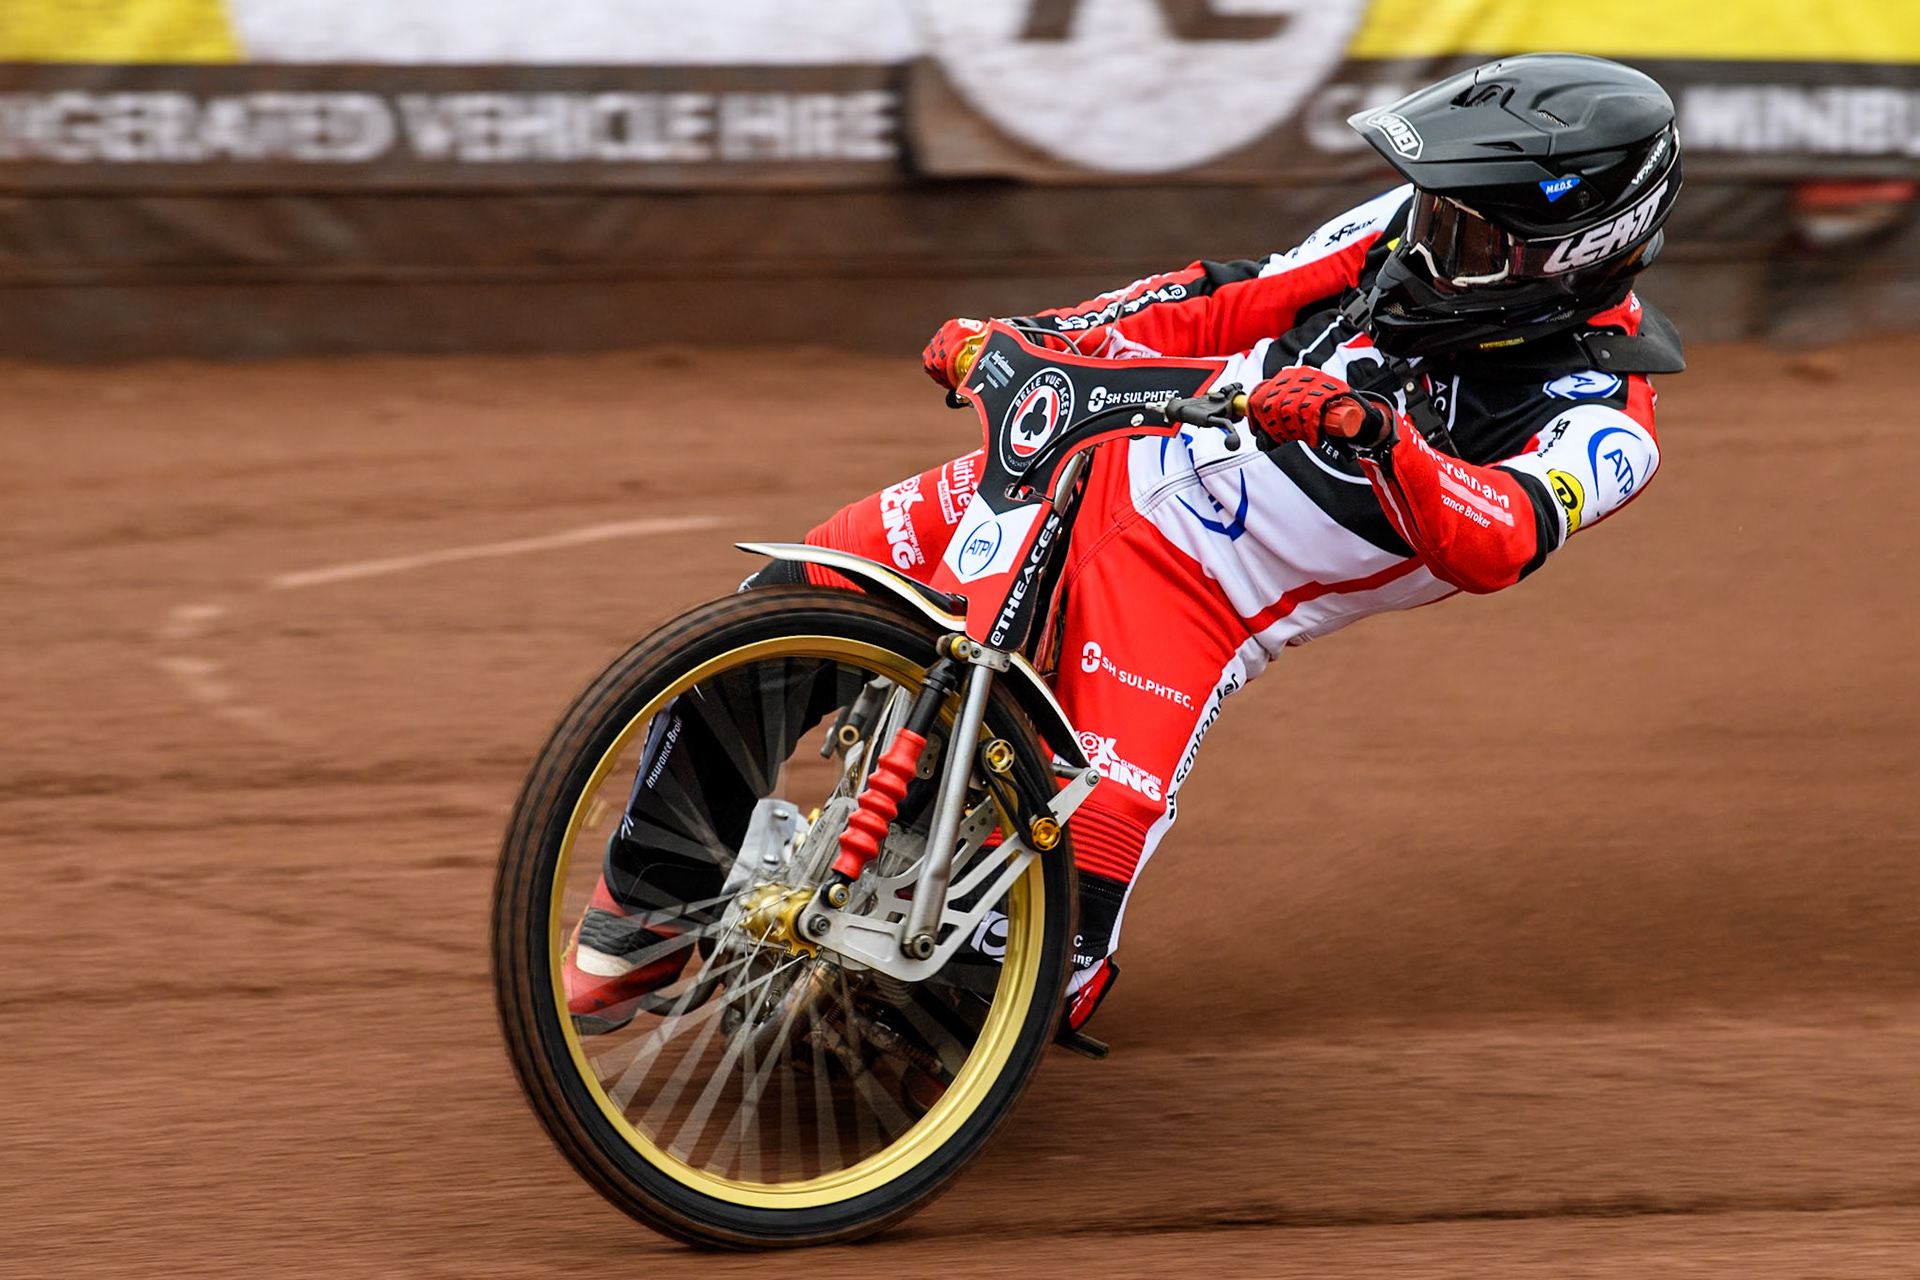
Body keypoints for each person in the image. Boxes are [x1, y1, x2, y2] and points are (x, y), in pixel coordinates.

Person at [566, 53, 1685, 1039]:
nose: (1426, 240)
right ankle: (650, 909)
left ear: (1577, 253)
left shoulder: (1606, 421)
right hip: (1092, 459)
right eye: (1432, 210)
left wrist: (1382, 439)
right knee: (774, 611)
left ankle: (960, 1006)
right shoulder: (1403, 236)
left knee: (1017, 972)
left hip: (1197, 600)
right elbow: (1217, 302)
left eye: (1468, 232)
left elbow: (1496, 537)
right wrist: (1039, 334)